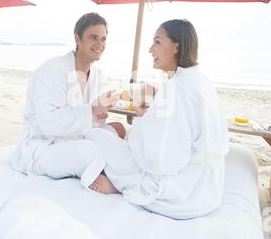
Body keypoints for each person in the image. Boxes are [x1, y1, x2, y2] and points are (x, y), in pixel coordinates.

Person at [86, 19, 229, 219]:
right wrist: (153, 113)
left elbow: (157, 159)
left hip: (179, 193)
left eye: (157, 42)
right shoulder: (199, 81)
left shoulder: (176, 88)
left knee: (96, 136)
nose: (150, 49)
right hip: (205, 187)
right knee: (114, 135)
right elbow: (178, 131)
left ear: (176, 47)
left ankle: (120, 184)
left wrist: (142, 118)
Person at [11, 12, 125, 189]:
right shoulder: (53, 70)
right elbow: (48, 122)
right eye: (93, 37)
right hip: (43, 146)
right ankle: (117, 183)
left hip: (74, 138)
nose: (100, 44)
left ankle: (116, 173)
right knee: (90, 151)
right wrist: (92, 109)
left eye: (103, 39)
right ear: (77, 39)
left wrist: (100, 117)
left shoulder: (96, 75)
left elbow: (87, 119)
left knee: (118, 130)